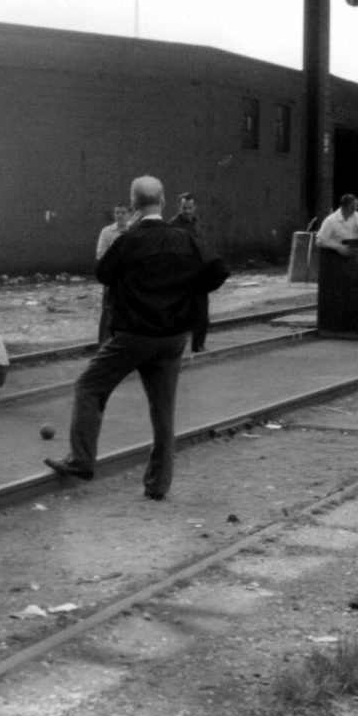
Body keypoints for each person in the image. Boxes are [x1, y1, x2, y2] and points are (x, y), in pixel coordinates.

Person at [45, 175, 230, 500]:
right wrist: (185, 293)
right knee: (163, 412)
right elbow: (218, 272)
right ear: (165, 201)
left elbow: (103, 273)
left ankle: (82, 459)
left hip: (134, 334)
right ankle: (158, 486)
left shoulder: (130, 239)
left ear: (133, 205)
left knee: (89, 386)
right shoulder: (184, 238)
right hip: (173, 336)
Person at [169, 192, 210, 352]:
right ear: (179, 207)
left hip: (199, 274)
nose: (187, 211)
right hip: (181, 274)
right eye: (184, 208)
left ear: (195, 207)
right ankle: (174, 346)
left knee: (202, 312)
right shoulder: (173, 225)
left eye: (190, 208)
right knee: (180, 312)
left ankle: (198, 344)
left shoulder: (197, 222)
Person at [96, 203, 132, 343]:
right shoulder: (107, 232)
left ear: (129, 214)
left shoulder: (133, 230)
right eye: (117, 213)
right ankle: (104, 342)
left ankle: (125, 341)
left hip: (129, 279)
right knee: (108, 310)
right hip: (112, 278)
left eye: (123, 213)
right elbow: (100, 254)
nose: (120, 216)